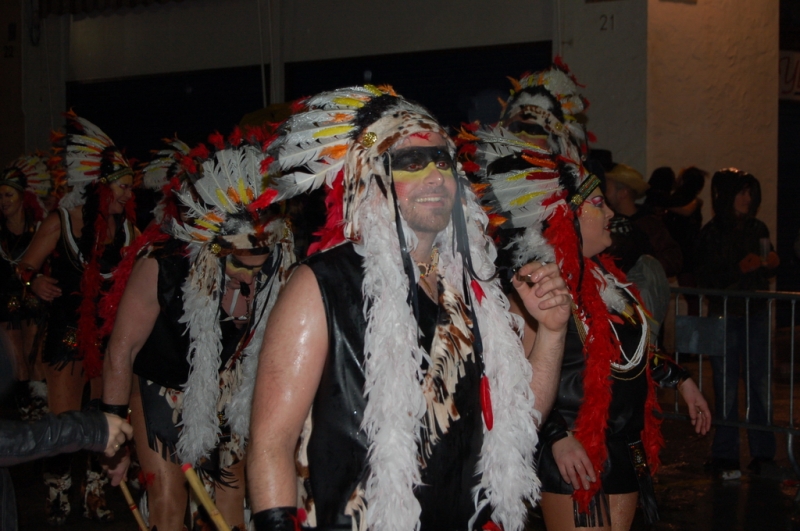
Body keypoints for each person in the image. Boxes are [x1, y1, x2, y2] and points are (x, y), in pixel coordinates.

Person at [247, 85, 572, 531]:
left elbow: (519, 424)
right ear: (369, 174)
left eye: (443, 160)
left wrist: (551, 332)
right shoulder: (321, 284)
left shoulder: (474, 288)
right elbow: (271, 443)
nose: (436, 176)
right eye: (412, 162)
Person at [468, 66, 711, 530]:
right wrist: (555, 439)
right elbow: (514, 380)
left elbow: (629, 350)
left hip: (624, 450)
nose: (610, 211)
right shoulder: (537, 285)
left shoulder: (607, 281)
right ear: (568, 221)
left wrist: (681, 380)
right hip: (573, 453)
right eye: (597, 205)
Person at [102, 127, 295, 531]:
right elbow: (122, 347)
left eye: (258, 266)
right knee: (169, 501)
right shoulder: (162, 267)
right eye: (239, 265)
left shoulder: (278, 270)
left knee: (230, 495)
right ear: (215, 249)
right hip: (161, 385)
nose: (249, 278)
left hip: (231, 385)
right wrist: (112, 427)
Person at [16, 111, 138, 524]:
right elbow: (22, 268)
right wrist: (33, 283)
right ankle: (58, 497)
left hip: (108, 339)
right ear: (102, 185)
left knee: (104, 416)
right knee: (65, 421)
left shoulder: (127, 229)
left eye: (130, 187)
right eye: (123, 186)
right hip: (67, 336)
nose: (128, 194)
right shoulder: (62, 221)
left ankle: (97, 495)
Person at [695, 168, 780, 480]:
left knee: (760, 382)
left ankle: (763, 452)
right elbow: (705, 276)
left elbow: (764, 265)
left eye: (750, 193)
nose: (747, 199)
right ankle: (725, 453)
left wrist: (770, 264)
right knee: (726, 385)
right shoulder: (712, 232)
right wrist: (738, 270)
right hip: (725, 314)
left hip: (755, 312)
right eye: (742, 192)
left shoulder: (758, 227)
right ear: (728, 195)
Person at [0, 154, 50, 420]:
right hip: (5, 300)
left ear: (22, 197)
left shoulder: (39, 228)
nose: (3, 201)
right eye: (0, 196)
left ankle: (40, 404)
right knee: (16, 356)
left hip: (33, 299)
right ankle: (24, 408)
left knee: (35, 354)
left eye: (8, 195)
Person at [604, 163, 683, 279]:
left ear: (623, 193)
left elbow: (673, 259)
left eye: (608, 189)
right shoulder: (607, 220)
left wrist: (641, 270)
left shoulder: (650, 224)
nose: (605, 194)